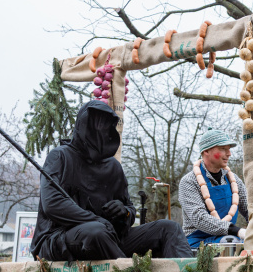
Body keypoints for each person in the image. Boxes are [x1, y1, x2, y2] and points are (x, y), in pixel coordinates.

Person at [31, 100, 193, 261]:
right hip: (60, 238)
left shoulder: (113, 166)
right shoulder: (60, 156)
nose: (101, 131)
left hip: (110, 237)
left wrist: (124, 212)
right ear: (84, 125)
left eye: (105, 126)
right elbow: (52, 204)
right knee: (96, 232)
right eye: (96, 125)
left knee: (169, 228)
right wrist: (96, 220)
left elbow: (129, 209)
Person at [178, 129, 249, 248]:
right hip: (197, 243)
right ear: (206, 151)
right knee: (230, 242)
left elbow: (249, 208)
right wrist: (236, 231)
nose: (229, 154)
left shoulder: (233, 180)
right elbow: (199, 218)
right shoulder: (189, 181)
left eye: (229, 149)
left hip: (229, 238)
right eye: (223, 149)